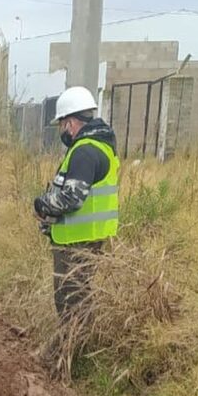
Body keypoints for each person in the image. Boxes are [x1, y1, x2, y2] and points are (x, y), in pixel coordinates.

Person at [33, 86, 120, 323]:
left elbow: (72, 198)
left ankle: (71, 350)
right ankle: (74, 347)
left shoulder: (85, 151)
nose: (62, 130)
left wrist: (42, 204)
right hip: (87, 238)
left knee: (70, 300)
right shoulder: (100, 146)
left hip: (77, 243)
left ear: (71, 122)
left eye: (62, 124)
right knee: (78, 296)